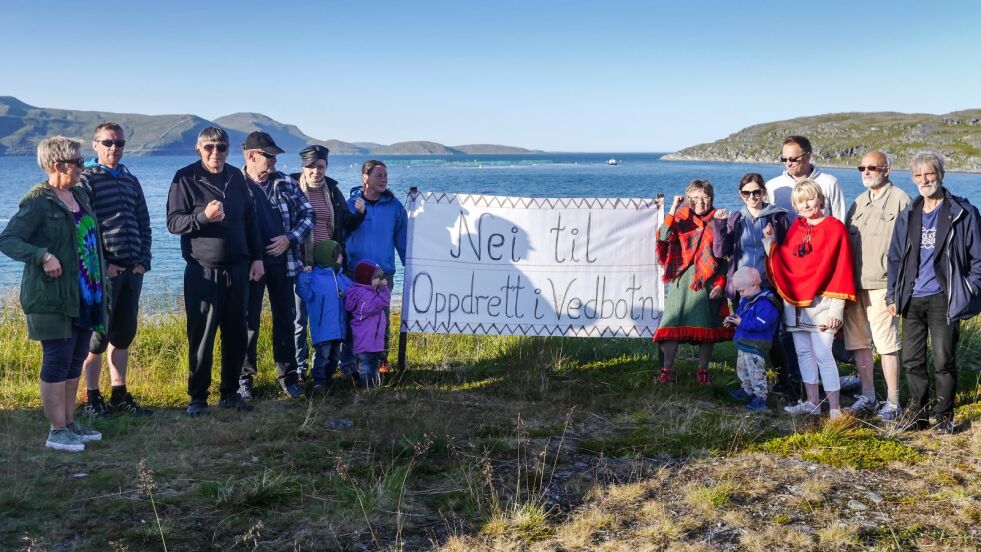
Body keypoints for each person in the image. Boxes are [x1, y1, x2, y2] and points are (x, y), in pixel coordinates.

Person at [0, 136, 107, 451]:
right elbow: (8, 240)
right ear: (59, 165)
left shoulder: (79, 194)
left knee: (75, 359)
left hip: (85, 295)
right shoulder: (37, 201)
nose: (83, 166)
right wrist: (43, 256)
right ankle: (56, 431)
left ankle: (70, 423)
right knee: (57, 359)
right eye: (78, 162)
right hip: (52, 297)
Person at [166, 127, 264, 416]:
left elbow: (251, 221)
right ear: (198, 149)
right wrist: (203, 217)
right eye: (209, 147)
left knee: (236, 334)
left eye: (221, 147)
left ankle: (230, 392)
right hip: (203, 271)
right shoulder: (185, 178)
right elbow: (173, 223)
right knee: (202, 335)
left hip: (238, 268)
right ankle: (197, 397)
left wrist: (257, 258)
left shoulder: (236, 177)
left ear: (228, 150)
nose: (215, 153)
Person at [886, 151, 981, 434]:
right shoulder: (910, 213)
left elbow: (978, 258)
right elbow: (894, 257)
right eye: (919, 175)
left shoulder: (963, 212)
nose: (925, 179)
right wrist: (893, 294)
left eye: (930, 173)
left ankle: (944, 416)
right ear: (913, 178)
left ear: (941, 174)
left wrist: (970, 288)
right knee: (912, 360)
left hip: (944, 297)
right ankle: (918, 414)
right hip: (911, 298)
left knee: (943, 360)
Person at [78, 122, 153, 418]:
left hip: (132, 270)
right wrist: (102, 265)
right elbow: (85, 228)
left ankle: (119, 394)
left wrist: (142, 261)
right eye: (108, 143)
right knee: (96, 338)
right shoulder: (87, 179)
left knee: (123, 334)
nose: (114, 149)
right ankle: (92, 398)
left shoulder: (130, 179)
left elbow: (143, 221)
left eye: (119, 144)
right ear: (95, 145)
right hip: (104, 273)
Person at [764, 180, 856, 418]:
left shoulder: (834, 227)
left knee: (824, 354)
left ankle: (835, 408)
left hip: (824, 302)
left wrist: (838, 308)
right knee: (804, 354)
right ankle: (812, 403)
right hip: (795, 304)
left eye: (809, 199)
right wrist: (770, 243)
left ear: (820, 199)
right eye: (800, 201)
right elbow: (787, 263)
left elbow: (841, 268)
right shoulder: (797, 228)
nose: (805, 204)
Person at [238, 132, 313, 401]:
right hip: (249, 266)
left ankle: (288, 376)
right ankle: (243, 378)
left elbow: (308, 214)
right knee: (248, 321)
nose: (273, 160)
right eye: (268, 155)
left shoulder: (286, 182)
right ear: (251, 156)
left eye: (275, 155)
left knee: (285, 319)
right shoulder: (235, 183)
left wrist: (289, 238)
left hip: (284, 262)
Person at [712, 173, 798, 400]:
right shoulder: (736, 218)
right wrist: (719, 225)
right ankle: (749, 385)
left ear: (763, 192)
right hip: (743, 289)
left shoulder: (777, 217)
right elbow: (721, 251)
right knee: (745, 333)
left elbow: (787, 253)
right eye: (747, 193)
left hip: (769, 287)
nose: (752, 196)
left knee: (773, 336)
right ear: (741, 194)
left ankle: (784, 383)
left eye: (756, 192)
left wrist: (772, 242)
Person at [841, 151, 910, 420]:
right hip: (854, 286)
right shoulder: (857, 203)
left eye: (873, 167)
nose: (866, 172)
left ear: (887, 170)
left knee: (886, 344)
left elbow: (909, 248)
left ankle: (893, 402)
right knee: (859, 344)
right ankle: (868, 396)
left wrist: (900, 289)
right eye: (862, 168)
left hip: (883, 285)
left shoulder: (901, 200)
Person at [290, 145, 365, 381]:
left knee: (333, 317)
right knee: (300, 319)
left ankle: (332, 366)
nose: (315, 172)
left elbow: (344, 225)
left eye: (320, 167)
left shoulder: (332, 191)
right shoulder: (292, 188)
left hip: (331, 265)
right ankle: (299, 368)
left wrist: (359, 215)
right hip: (304, 263)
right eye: (311, 167)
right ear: (303, 167)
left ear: (326, 167)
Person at [653, 180, 733, 384]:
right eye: (695, 198)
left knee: (706, 329)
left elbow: (725, 256)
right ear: (688, 199)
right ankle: (666, 371)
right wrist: (673, 208)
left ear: (711, 199)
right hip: (682, 281)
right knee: (672, 326)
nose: (700, 202)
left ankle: (703, 372)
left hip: (708, 283)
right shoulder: (680, 218)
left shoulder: (719, 220)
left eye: (704, 198)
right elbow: (663, 236)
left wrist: (721, 284)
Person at [343, 160, 406, 373]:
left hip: (383, 274)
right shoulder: (351, 204)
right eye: (379, 175)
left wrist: (411, 268)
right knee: (354, 318)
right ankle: (353, 362)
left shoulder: (395, 207)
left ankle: (381, 360)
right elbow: (341, 233)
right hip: (355, 273)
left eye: (386, 175)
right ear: (365, 178)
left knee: (382, 319)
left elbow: (403, 240)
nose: (384, 179)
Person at [295, 240, 352, 394]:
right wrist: (305, 275)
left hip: (338, 328)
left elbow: (353, 291)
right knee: (322, 356)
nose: (342, 257)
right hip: (322, 329)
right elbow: (303, 292)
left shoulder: (340, 276)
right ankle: (319, 382)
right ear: (329, 256)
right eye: (338, 254)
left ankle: (328, 379)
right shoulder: (314, 277)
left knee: (334, 356)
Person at [724, 267, 780, 411]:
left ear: (754, 284)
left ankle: (761, 398)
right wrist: (732, 320)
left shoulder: (766, 303)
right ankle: (747, 390)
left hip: (756, 344)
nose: (740, 294)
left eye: (742, 290)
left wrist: (741, 322)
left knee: (756, 372)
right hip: (744, 343)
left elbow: (760, 324)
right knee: (742, 368)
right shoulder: (746, 299)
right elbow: (740, 315)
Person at [766, 136, 846, 221]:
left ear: (808, 156)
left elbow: (840, 222)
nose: (788, 164)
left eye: (793, 159)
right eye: (784, 159)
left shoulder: (830, 183)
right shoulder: (772, 186)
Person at [345, 259, 392, 388]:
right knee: (366, 365)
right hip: (366, 339)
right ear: (366, 279)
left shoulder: (367, 292)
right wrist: (383, 289)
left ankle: (373, 387)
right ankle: (366, 388)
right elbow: (382, 303)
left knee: (374, 364)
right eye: (376, 278)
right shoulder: (364, 296)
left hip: (373, 338)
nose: (379, 281)